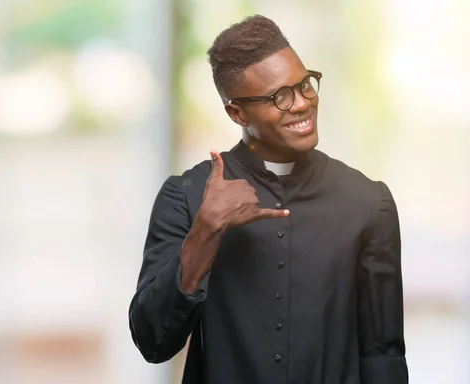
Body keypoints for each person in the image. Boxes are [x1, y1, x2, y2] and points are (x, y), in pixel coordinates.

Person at [128, 14, 408, 384]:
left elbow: (383, 355)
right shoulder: (187, 197)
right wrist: (206, 230)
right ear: (237, 112)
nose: (302, 104)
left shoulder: (368, 202)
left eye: (306, 84)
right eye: (280, 97)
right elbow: (153, 343)